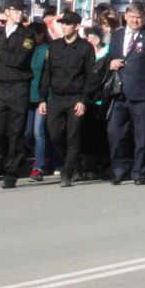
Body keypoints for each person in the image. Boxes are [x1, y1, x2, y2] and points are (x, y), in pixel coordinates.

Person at [106, 3, 145, 185]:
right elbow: (109, 56)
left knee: (142, 136)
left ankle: (140, 172)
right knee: (115, 132)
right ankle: (119, 168)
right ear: (126, 16)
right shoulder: (117, 35)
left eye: (139, 17)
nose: (135, 20)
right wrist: (111, 62)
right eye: (132, 17)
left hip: (142, 93)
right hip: (119, 93)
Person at [0, 0, 41, 188]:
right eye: (16, 10)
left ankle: (12, 171)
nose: (20, 13)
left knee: (15, 131)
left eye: (21, 10)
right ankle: (7, 160)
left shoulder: (27, 35)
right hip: (0, 86)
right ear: (7, 12)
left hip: (18, 86)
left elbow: (19, 60)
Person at [39, 12, 94, 186]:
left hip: (76, 98)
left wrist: (83, 100)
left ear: (77, 26)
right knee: (55, 134)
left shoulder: (85, 48)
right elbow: (46, 73)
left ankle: (66, 171)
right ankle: (74, 164)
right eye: (62, 23)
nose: (64, 26)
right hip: (56, 98)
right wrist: (42, 98)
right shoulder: (54, 46)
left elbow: (90, 76)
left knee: (73, 136)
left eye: (68, 24)